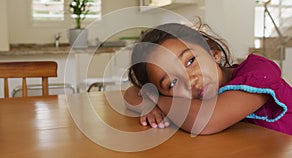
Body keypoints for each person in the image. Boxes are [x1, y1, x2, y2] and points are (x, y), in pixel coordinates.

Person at [123, 22, 292, 135]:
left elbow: (204, 122)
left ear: (213, 53)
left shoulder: (259, 72)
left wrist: (156, 99)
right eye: (172, 82)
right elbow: (132, 93)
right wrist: (147, 104)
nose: (190, 80)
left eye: (190, 61)